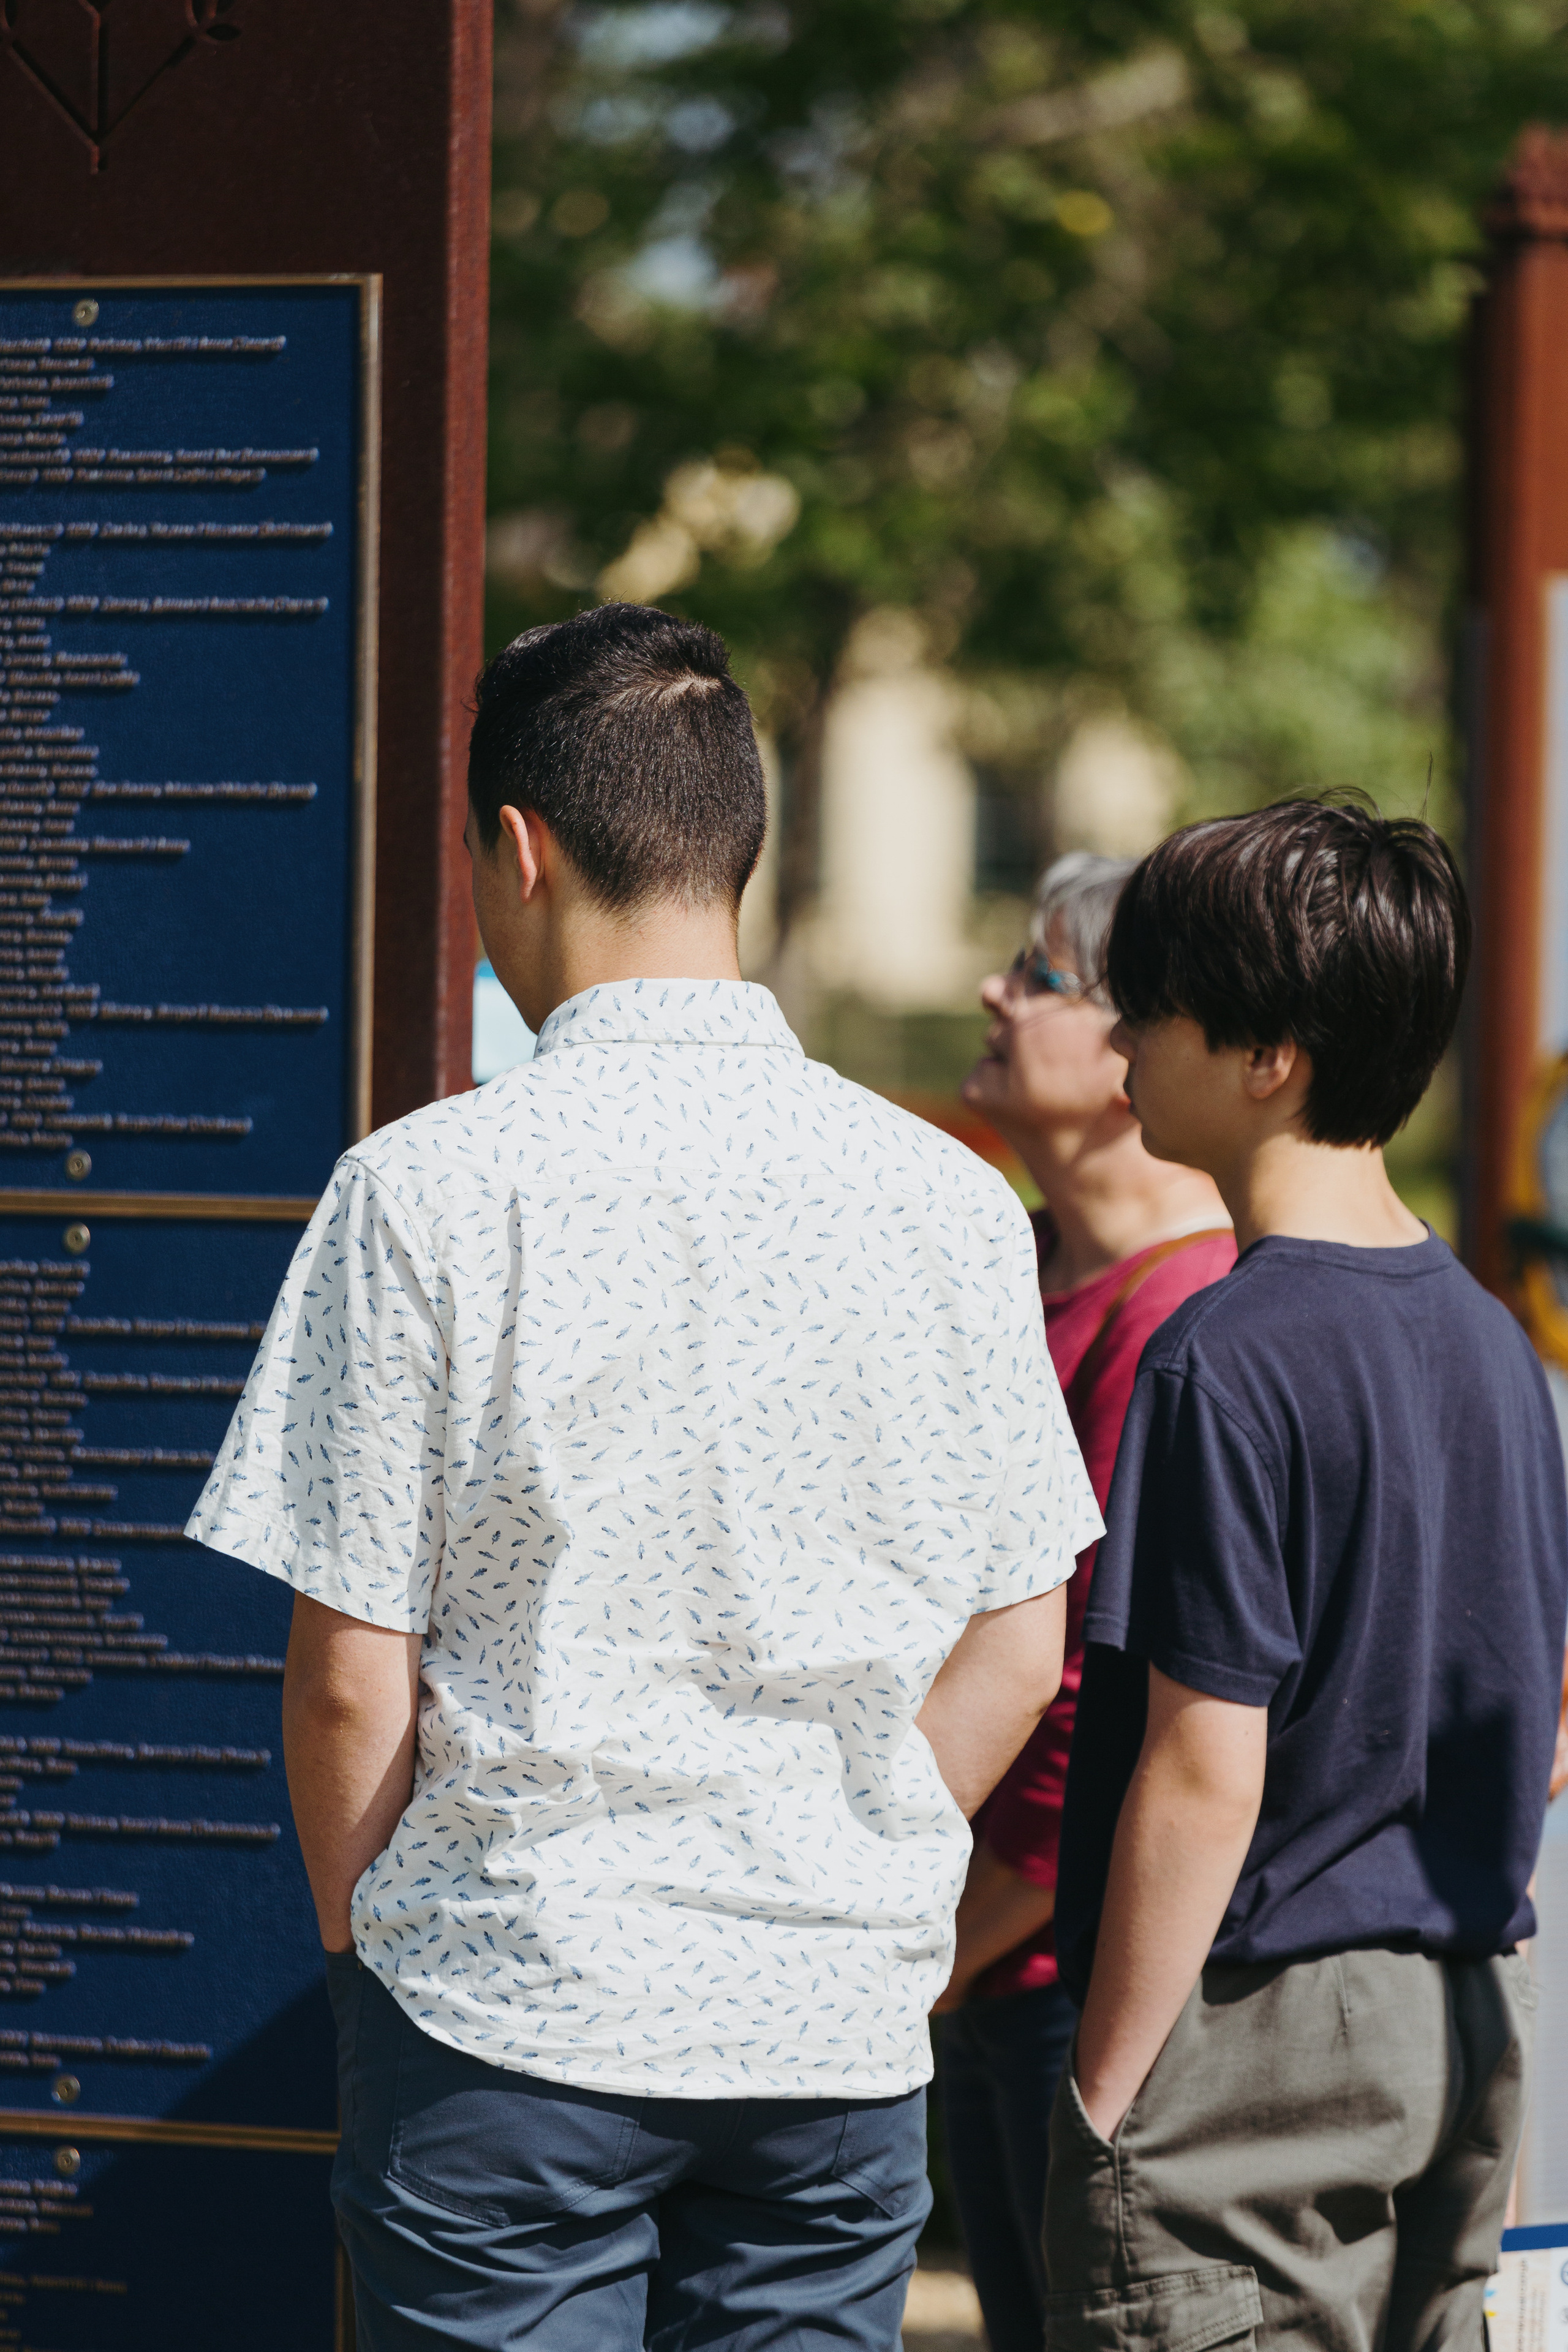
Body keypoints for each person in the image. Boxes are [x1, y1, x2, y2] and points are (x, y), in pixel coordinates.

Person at [187, 603, 1102, 2352]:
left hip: (510, 2006)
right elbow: (1020, 1634)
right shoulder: (950, 1204)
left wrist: (371, 1951)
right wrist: (836, 1851)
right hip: (829, 2026)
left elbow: (347, 1674)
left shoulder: (423, 1192)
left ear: (517, 848)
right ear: (732, 848)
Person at [1044, 798, 1568, 2352]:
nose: (1121, 1036)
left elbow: (1204, 1766)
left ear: (1268, 1055)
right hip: (1459, 2009)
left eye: (1153, 1004)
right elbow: (1534, 1723)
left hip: (1252, 2023)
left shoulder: (1223, 1356)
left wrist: (1100, 2094)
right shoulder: (1490, 1348)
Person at [933, 853, 1234, 2352]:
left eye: (1039, 976)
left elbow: (1086, 1721)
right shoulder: (1022, 1270)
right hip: (991, 1967)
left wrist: (934, 1955)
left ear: (1140, 1043)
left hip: (1067, 1984)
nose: (993, 992)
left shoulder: (1182, 1316)